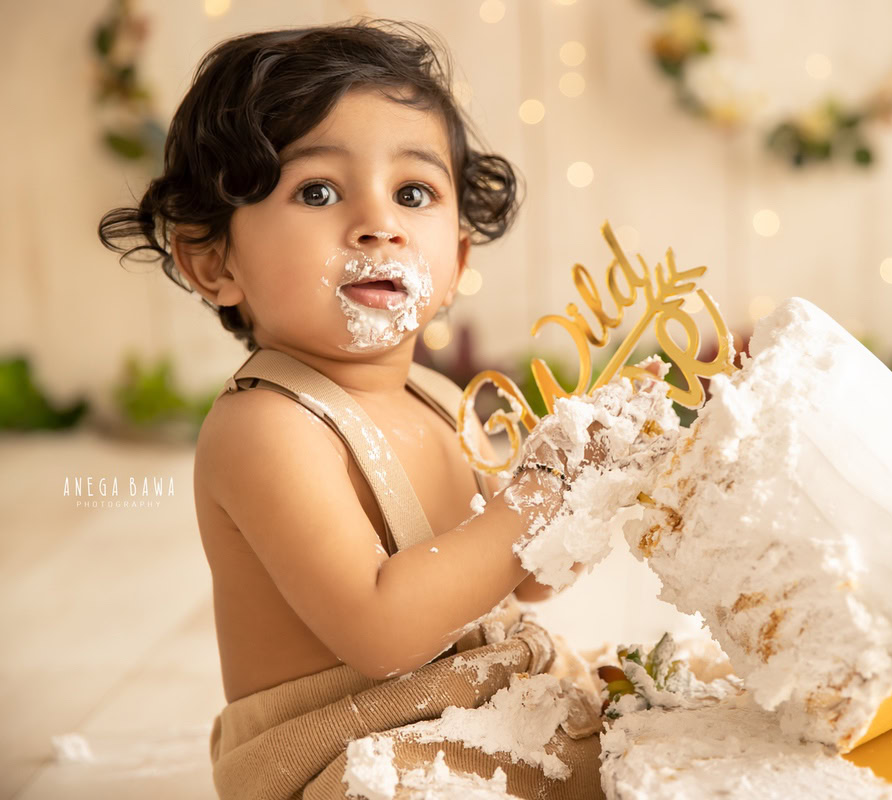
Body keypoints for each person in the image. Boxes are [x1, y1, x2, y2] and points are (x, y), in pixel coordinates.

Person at [98, 19, 622, 800]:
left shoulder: (440, 400)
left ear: (456, 265)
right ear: (214, 263)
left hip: (484, 708)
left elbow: (524, 582)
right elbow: (386, 633)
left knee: (658, 722)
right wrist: (534, 499)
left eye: (414, 192)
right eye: (317, 191)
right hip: (348, 748)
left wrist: (590, 494)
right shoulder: (266, 427)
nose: (380, 223)